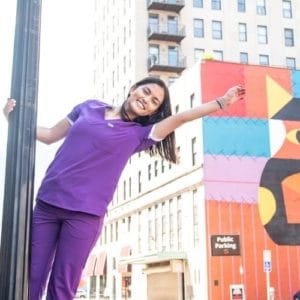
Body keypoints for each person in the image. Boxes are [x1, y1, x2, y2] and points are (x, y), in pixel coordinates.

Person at [4, 77, 245, 299]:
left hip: (84, 216)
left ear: (152, 111)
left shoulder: (140, 135)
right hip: (48, 204)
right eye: (146, 91)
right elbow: (48, 135)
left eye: (154, 102)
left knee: (61, 287)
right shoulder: (88, 107)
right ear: (133, 89)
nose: (146, 100)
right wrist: (13, 120)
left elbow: (181, 118)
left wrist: (221, 102)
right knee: (29, 278)